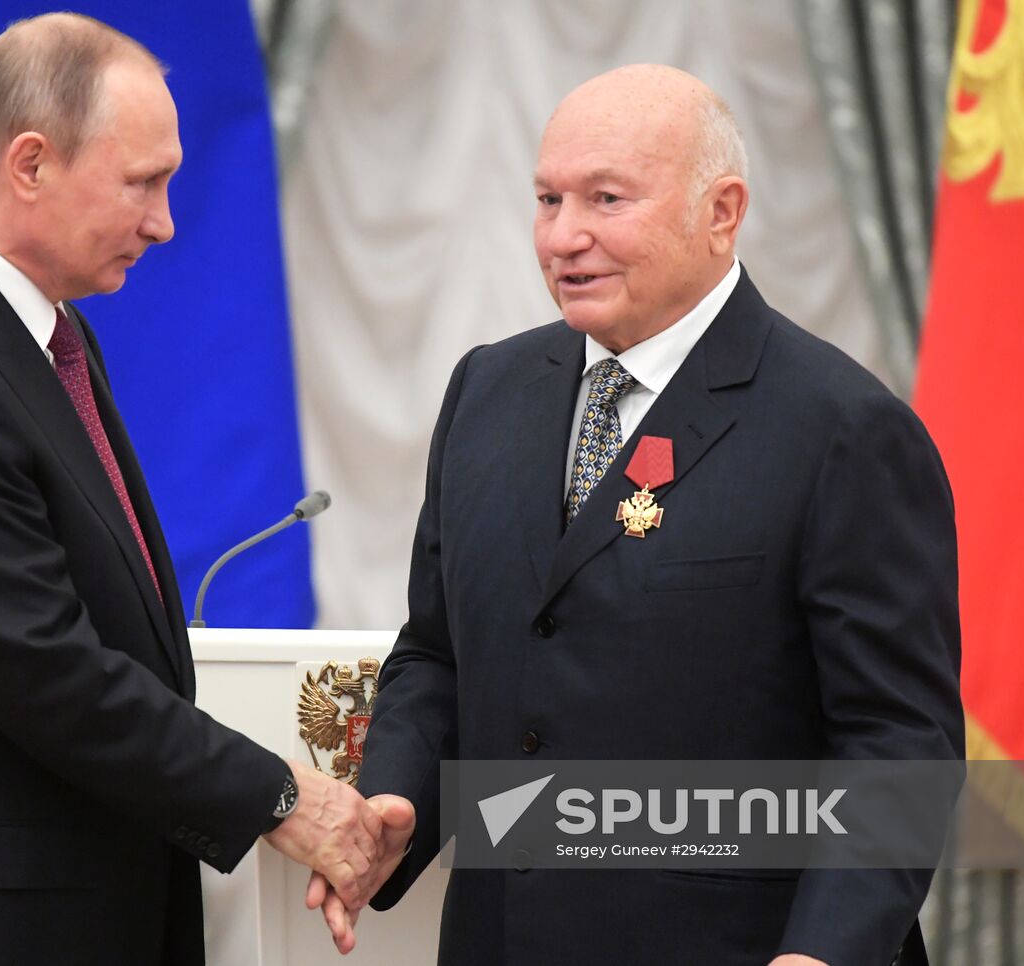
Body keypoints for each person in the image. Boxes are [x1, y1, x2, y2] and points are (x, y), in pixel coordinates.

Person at [0, 14, 401, 965]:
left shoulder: (37, 333)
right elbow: (46, 670)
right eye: (142, 181)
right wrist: (282, 796)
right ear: (30, 164)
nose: (164, 220)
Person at [309, 65, 962, 966]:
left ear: (721, 212)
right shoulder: (487, 390)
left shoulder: (842, 428)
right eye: (547, 198)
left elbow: (898, 741)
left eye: (607, 199)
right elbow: (437, 653)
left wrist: (823, 952)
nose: (563, 236)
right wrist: (396, 798)